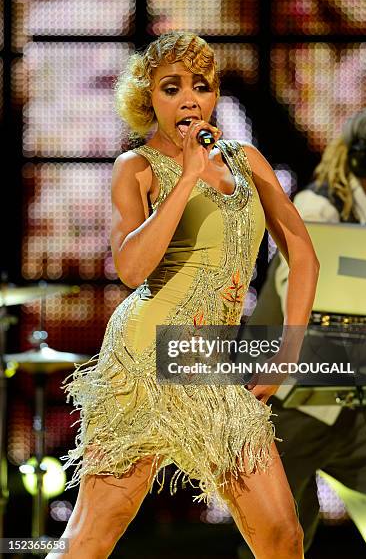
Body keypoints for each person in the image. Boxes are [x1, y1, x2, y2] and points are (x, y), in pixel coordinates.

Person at [50, 32, 319, 559]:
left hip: (209, 362)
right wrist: (187, 177)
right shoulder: (137, 167)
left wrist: (287, 353)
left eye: (202, 86)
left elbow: (304, 256)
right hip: (145, 357)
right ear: (148, 97)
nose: (190, 99)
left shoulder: (248, 162)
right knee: (90, 538)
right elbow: (130, 269)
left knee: (282, 537)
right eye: (172, 88)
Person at [250, 103, 366, 559]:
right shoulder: (317, 208)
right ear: (363, 163)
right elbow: (312, 304)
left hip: (357, 408)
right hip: (289, 407)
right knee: (280, 540)